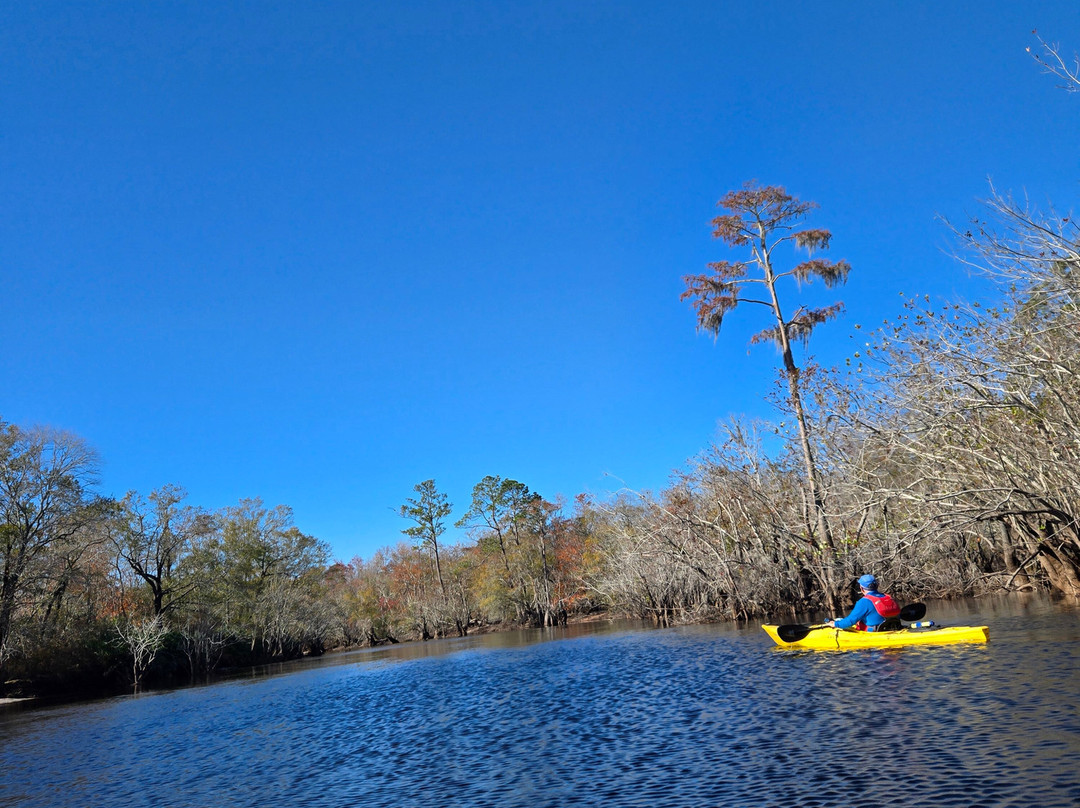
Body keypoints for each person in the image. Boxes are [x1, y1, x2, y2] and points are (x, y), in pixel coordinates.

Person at [824, 574, 901, 631]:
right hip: (893, 629)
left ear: (861, 588)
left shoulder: (864, 602)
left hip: (874, 637)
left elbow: (850, 621)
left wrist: (835, 624)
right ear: (877, 586)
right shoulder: (888, 597)